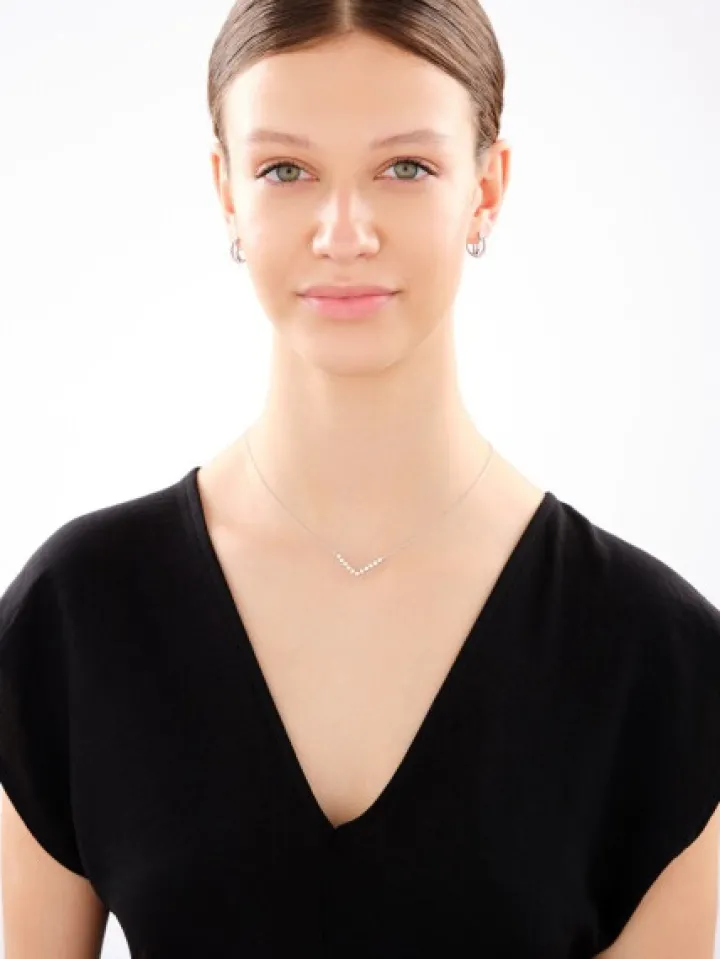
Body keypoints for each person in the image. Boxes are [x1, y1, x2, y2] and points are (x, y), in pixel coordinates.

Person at [2, 2, 719, 957]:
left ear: (487, 188)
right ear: (226, 190)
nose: (345, 233)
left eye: (406, 167)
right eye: (285, 170)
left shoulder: (660, 662)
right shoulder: (77, 613)